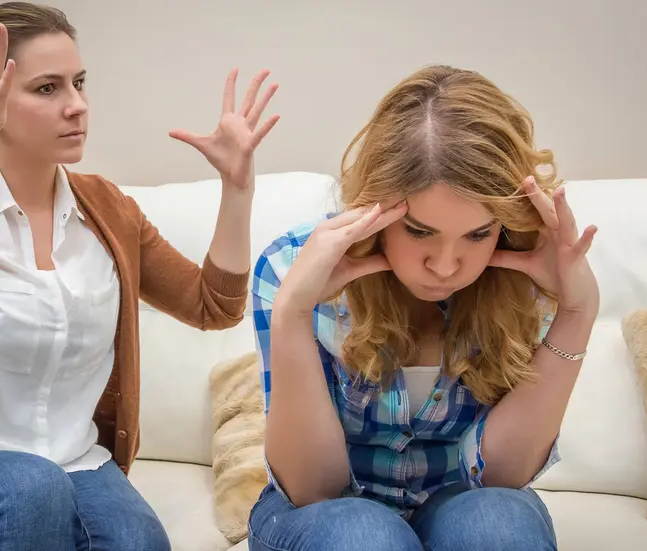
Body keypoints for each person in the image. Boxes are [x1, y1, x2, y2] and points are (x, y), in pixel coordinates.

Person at [0, 3, 278, 550]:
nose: (77, 105)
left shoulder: (108, 211)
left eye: (79, 83)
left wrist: (237, 189)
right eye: (47, 88)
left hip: (71, 463)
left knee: (138, 540)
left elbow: (213, 306)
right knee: (26, 488)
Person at [248, 64, 599, 551]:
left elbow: (501, 476)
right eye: (418, 231)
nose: (446, 266)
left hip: (460, 501)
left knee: (498, 524)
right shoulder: (290, 265)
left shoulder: (529, 275)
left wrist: (578, 312)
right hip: (327, 519)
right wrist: (293, 314)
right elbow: (312, 489)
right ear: (376, 209)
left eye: (477, 234)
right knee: (364, 537)